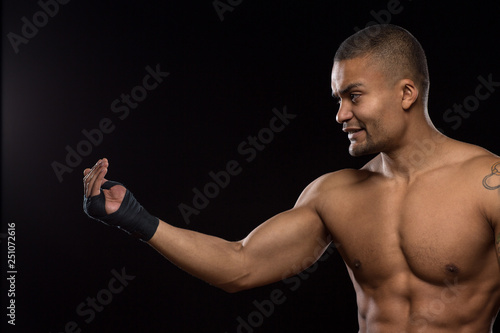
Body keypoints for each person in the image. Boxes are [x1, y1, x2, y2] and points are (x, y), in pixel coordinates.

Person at [82, 24, 500, 332]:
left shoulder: (486, 183)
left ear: (406, 93)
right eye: (338, 100)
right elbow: (239, 265)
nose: (340, 115)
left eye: (354, 96)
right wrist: (137, 219)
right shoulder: (334, 195)